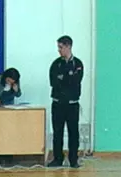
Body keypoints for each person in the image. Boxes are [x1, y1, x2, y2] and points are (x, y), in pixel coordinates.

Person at [47, 35, 84, 168]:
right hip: (58, 103)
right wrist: (67, 78)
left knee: (73, 132)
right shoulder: (56, 64)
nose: (59, 50)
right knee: (57, 132)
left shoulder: (78, 64)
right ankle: (58, 159)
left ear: (68, 46)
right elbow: (54, 82)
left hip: (72, 104)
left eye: (61, 47)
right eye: (58, 47)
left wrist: (64, 78)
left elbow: (75, 81)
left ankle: (73, 159)